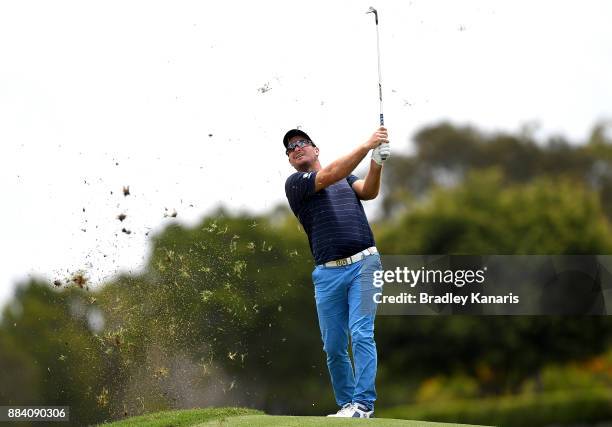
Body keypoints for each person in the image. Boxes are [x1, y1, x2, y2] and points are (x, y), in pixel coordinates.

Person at [283, 127, 390, 418]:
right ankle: (347, 405)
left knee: (361, 333)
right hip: (328, 274)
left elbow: (368, 191)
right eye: (291, 148)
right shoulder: (296, 184)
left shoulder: (346, 176)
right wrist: (368, 145)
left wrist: (376, 162)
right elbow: (329, 174)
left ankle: (363, 405)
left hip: (365, 265)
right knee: (333, 346)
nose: (297, 147)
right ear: (291, 161)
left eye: (303, 142)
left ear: (316, 149)